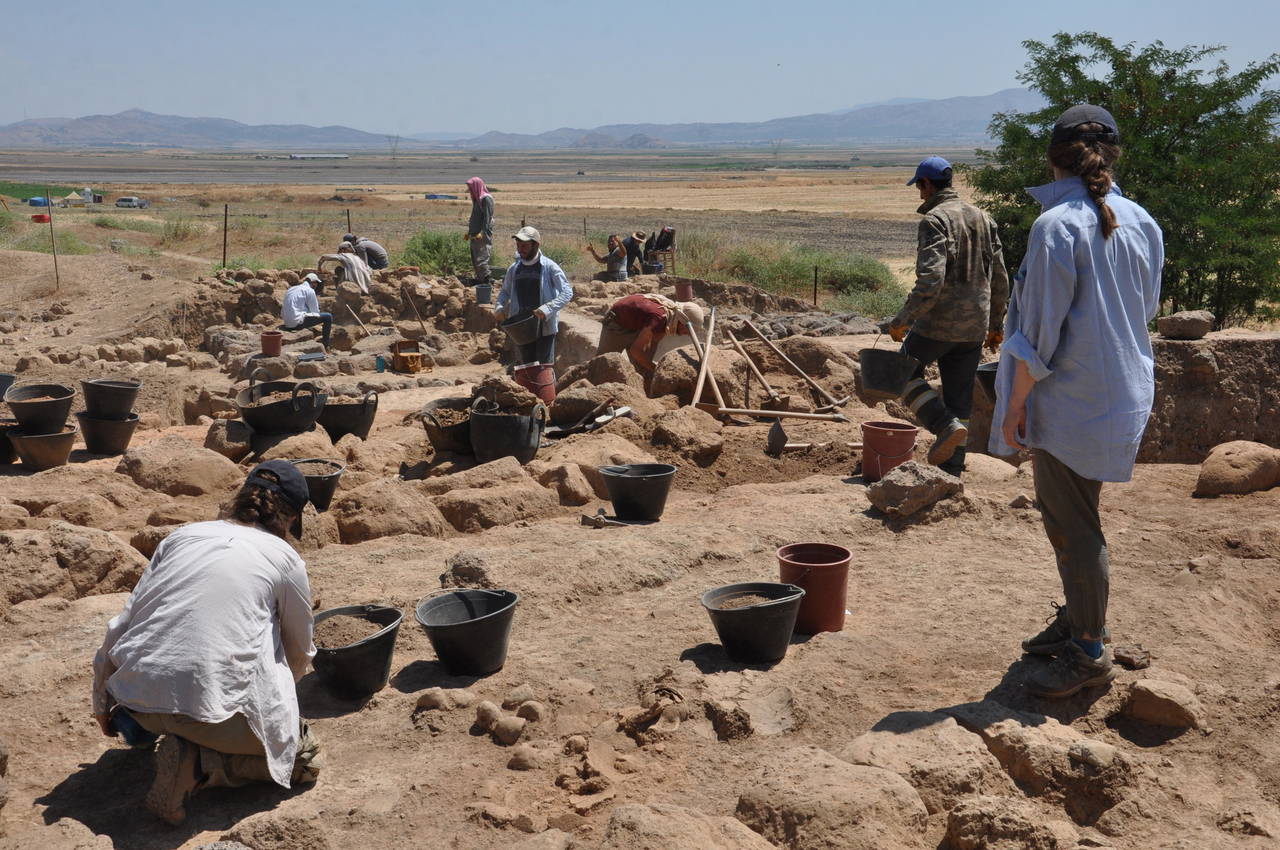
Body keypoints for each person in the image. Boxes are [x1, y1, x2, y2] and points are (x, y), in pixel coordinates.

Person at [991, 105, 1163, 699]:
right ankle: (1075, 615)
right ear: (1112, 155)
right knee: (1078, 515)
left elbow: (1039, 336)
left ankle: (1089, 648)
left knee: (1073, 526)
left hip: (1070, 399)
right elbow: (1145, 311)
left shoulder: (1056, 226)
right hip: (1121, 391)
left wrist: (1016, 406)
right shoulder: (1141, 219)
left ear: (1052, 156)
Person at [91, 461, 322, 825]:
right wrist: (280, 705)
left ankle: (151, 731)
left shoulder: (183, 536)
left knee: (163, 699)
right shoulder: (285, 558)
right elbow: (300, 649)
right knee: (304, 758)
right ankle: (202, 764)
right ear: (290, 518)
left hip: (135, 703)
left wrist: (103, 701)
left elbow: (123, 621)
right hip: (207, 711)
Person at [884, 155, 1009, 477]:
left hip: (938, 325)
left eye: (920, 187)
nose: (920, 194)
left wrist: (903, 320)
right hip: (974, 327)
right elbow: (1000, 278)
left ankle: (944, 426)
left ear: (927, 184)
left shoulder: (935, 220)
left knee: (902, 375)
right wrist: (996, 325)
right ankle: (953, 468)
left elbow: (931, 280)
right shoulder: (984, 218)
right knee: (959, 396)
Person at [493, 225, 573, 387]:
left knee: (543, 368)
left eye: (524, 246)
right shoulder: (514, 269)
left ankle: (547, 403)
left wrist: (547, 309)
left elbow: (567, 292)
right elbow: (505, 292)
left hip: (543, 327)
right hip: (521, 328)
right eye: (518, 245)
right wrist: (499, 307)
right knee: (526, 369)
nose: (520, 249)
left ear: (536, 245)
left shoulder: (549, 267)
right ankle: (529, 402)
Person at [596, 293, 705, 376]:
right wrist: (655, 369)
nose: (689, 335)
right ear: (681, 321)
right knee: (603, 365)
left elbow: (654, 342)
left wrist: (649, 365)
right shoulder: (659, 318)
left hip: (637, 325)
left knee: (643, 369)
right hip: (617, 323)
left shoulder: (669, 320)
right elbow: (636, 351)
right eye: (688, 331)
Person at [281, 272, 332, 349]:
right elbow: (315, 312)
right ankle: (326, 345)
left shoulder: (292, 288)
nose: (316, 285)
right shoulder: (309, 290)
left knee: (306, 313)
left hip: (287, 323)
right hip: (296, 323)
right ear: (313, 282)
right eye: (316, 283)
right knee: (328, 317)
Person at [465, 177, 494, 285]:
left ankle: (486, 281)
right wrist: (469, 233)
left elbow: (487, 217)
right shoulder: (477, 199)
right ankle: (480, 279)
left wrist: (482, 232)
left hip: (481, 234)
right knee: (475, 257)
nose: (470, 190)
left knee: (482, 258)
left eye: (471, 188)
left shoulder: (486, 199)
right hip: (474, 234)